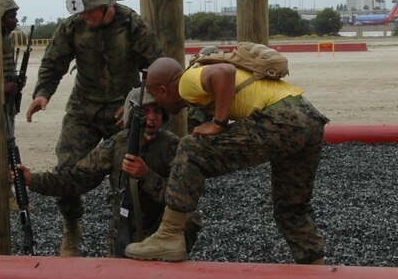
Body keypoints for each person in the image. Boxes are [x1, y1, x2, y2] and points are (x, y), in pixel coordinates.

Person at [124, 56, 329, 264]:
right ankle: (316, 269)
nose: (157, 103)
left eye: (155, 97)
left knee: (190, 148)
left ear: (163, 91)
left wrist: (218, 123)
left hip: (282, 119)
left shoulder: (186, 82)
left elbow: (225, 71)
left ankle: (169, 235)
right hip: (310, 120)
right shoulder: (197, 92)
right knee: (292, 206)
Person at [25, 0, 161, 256]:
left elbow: (157, 68)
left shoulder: (132, 25)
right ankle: (71, 225)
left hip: (122, 110)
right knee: (66, 168)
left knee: (129, 172)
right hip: (83, 110)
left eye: (89, 11)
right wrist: (42, 94)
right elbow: (53, 62)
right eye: (80, 11)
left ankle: (137, 231)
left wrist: (137, 100)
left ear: (106, 4)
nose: (84, 16)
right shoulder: (73, 27)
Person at [14, 88, 200, 257]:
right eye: (144, 112)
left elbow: (184, 197)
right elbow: (77, 179)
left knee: (189, 218)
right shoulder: (116, 145)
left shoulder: (173, 146)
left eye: (157, 111)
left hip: (160, 231)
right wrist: (32, 179)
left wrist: (146, 176)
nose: (151, 118)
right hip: (124, 230)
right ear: (132, 115)